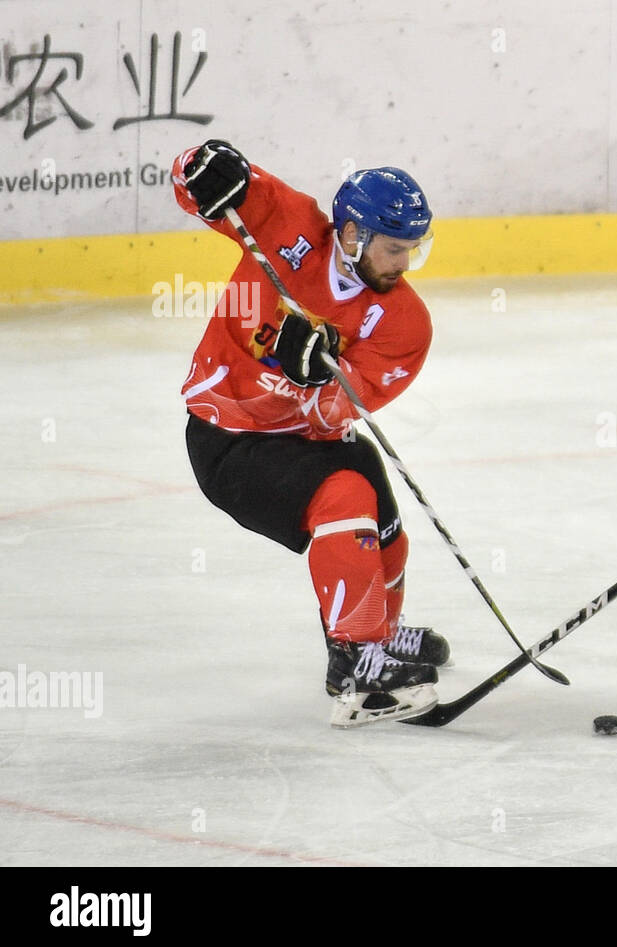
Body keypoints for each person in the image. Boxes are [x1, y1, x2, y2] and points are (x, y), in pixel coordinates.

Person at [174, 139, 449, 728]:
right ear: (351, 236)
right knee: (345, 497)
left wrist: (315, 375)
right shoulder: (287, 221)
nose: (404, 264)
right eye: (394, 249)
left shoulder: (405, 323)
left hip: (308, 434)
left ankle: (381, 633)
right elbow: (192, 187)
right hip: (229, 435)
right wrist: (200, 167)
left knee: (387, 531)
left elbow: (338, 409)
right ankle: (354, 663)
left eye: (413, 251)